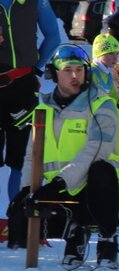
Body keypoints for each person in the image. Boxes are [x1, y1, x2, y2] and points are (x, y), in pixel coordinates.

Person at [9, 44, 119, 269]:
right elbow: (31, 156)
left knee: (100, 171)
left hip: (99, 190)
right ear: (54, 74)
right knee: (24, 212)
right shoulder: (43, 109)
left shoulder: (102, 106)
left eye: (79, 70)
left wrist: (59, 183)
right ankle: (76, 232)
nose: (75, 76)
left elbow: (95, 150)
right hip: (60, 191)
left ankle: (108, 237)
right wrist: (26, 189)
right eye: (67, 70)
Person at [0, 0, 62, 246]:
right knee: (21, 161)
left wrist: (36, 69)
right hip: (22, 81)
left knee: (21, 161)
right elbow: (53, 38)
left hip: (23, 87)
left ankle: (18, 226)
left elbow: (54, 38)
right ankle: (18, 228)